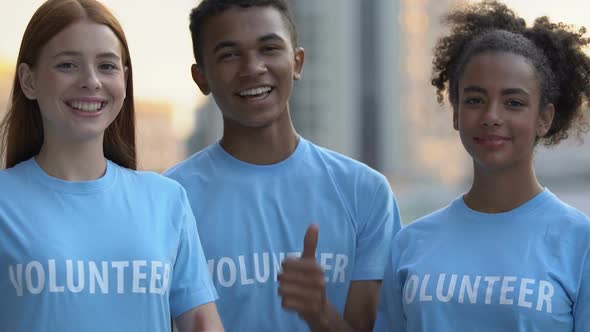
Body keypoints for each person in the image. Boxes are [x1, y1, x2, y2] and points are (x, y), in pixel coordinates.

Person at [164, 0, 402, 331]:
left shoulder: (366, 192)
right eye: (229, 54)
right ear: (201, 77)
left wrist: (320, 314)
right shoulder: (169, 202)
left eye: (270, 48)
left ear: (297, 62)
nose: (253, 67)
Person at [0, 0, 223, 331]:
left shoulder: (166, 200)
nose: (91, 81)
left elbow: (203, 326)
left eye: (107, 66)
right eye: (67, 65)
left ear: (124, 78)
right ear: (28, 81)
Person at [374, 1, 590, 331]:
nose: (491, 116)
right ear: (456, 113)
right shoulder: (410, 243)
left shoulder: (581, 242)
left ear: (544, 118)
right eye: (475, 100)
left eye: (513, 103)